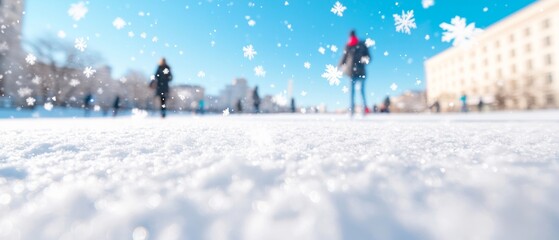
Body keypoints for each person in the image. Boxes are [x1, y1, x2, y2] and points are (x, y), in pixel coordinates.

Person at [339, 30, 371, 116]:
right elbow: (344, 58)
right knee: (352, 92)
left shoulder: (362, 45)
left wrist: (365, 60)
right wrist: (339, 66)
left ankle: (364, 110)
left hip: (360, 71)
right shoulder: (348, 46)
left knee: (361, 91)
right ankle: (352, 111)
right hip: (351, 72)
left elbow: (368, 57)